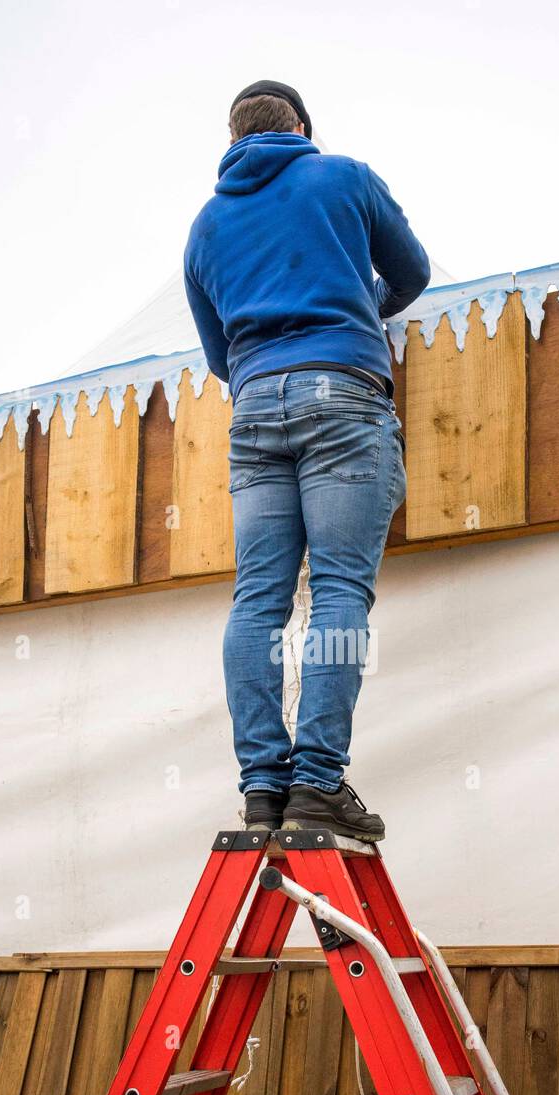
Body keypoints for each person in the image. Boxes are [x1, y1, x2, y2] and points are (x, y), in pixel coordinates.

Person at [184, 80, 430, 840]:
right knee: (338, 593)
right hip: (343, 396)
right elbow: (412, 273)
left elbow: (220, 355)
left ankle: (263, 786)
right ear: (300, 126)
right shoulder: (342, 176)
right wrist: (359, 307)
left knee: (257, 599)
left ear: (232, 137)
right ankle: (319, 781)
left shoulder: (205, 227)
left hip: (255, 408)